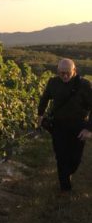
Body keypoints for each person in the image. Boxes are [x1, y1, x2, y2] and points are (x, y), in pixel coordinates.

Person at [37, 58, 92, 192]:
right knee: (61, 156)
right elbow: (44, 98)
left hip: (78, 126)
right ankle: (65, 188)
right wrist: (40, 115)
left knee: (75, 159)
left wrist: (88, 129)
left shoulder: (84, 85)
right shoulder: (53, 82)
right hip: (59, 125)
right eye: (62, 73)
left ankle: (68, 173)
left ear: (74, 70)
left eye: (68, 72)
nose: (65, 76)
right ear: (57, 72)